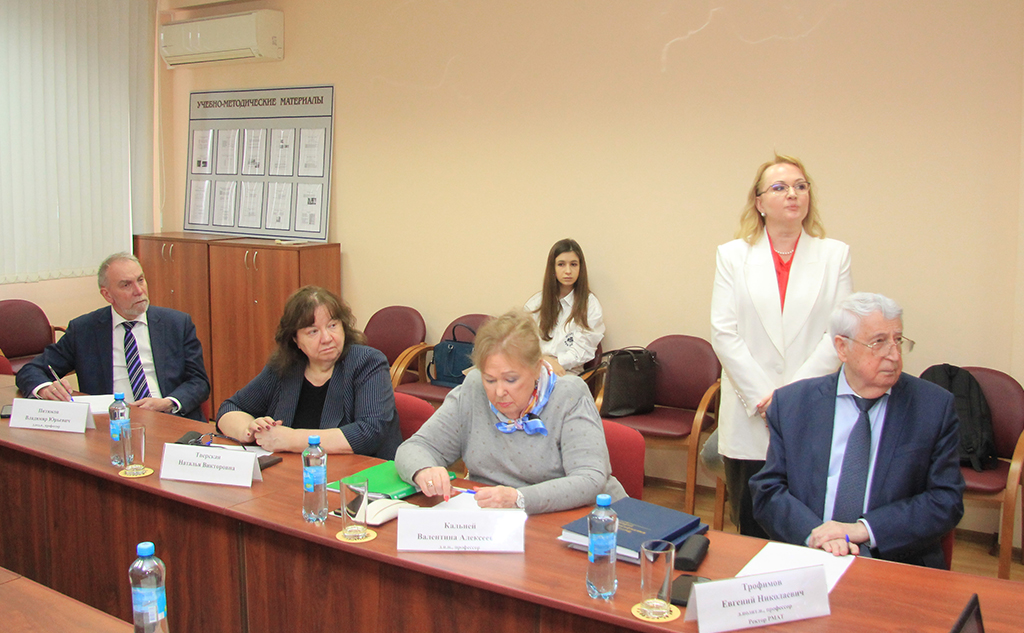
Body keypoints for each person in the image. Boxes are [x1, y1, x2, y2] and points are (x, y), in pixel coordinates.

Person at [750, 293, 964, 568]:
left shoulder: (933, 407)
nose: (894, 355)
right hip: (809, 556)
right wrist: (818, 536)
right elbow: (768, 491)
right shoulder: (793, 404)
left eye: (898, 340)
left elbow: (946, 500)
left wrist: (863, 530)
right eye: (879, 342)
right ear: (842, 348)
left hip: (895, 564)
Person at [710, 154, 853, 537]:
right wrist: (766, 399)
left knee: (804, 529)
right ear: (759, 202)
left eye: (801, 186)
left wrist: (790, 399)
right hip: (751, 414)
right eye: (780, 187)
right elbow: (724, 332)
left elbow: (837, 335)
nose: (793, 193)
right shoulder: (732, 256)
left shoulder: (835, 255)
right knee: (752, 525)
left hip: (810, 410)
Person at [395, 309, 625, 514]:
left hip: (578, 518)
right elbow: (415, 447)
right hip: (497, 518)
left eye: (511, 379)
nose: (499, 392)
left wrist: (519, 498)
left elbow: (589, 480)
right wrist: (424, 470)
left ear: (536, 369)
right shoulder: (474, 388)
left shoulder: (568, 395)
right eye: (490, 379)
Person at [17, 252, 210, 421]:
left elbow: (199, 382)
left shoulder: (176, 324)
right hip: (111, 425)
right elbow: (31, 370)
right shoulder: (84, 330)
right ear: (107, 295)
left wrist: (168, 403)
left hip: (169, 419)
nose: (139, 291)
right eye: (126, 285)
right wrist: (45, 389)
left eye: (140, 280)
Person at [216, 286, 401, 458]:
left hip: (359, 475)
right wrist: (250, 431)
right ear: (295, 339)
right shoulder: (284, 367)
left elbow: (369, 432)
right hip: (296, 473)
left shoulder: (367, 362)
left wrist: (291, 439)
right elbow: (230, 409)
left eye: (332, 326)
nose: (327, 338)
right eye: (313, 331)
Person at [524, 238, 605, 376]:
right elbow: (522, 342)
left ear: (580, 268)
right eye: (561, 264)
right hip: (535, 367)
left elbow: (582, 351)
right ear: (553, 268)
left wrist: (555, 363)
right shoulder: (536, 303)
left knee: (565, 385)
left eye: (573, 264)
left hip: (567, 371)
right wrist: (543, 361)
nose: (568, 271)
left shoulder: (590, 305)